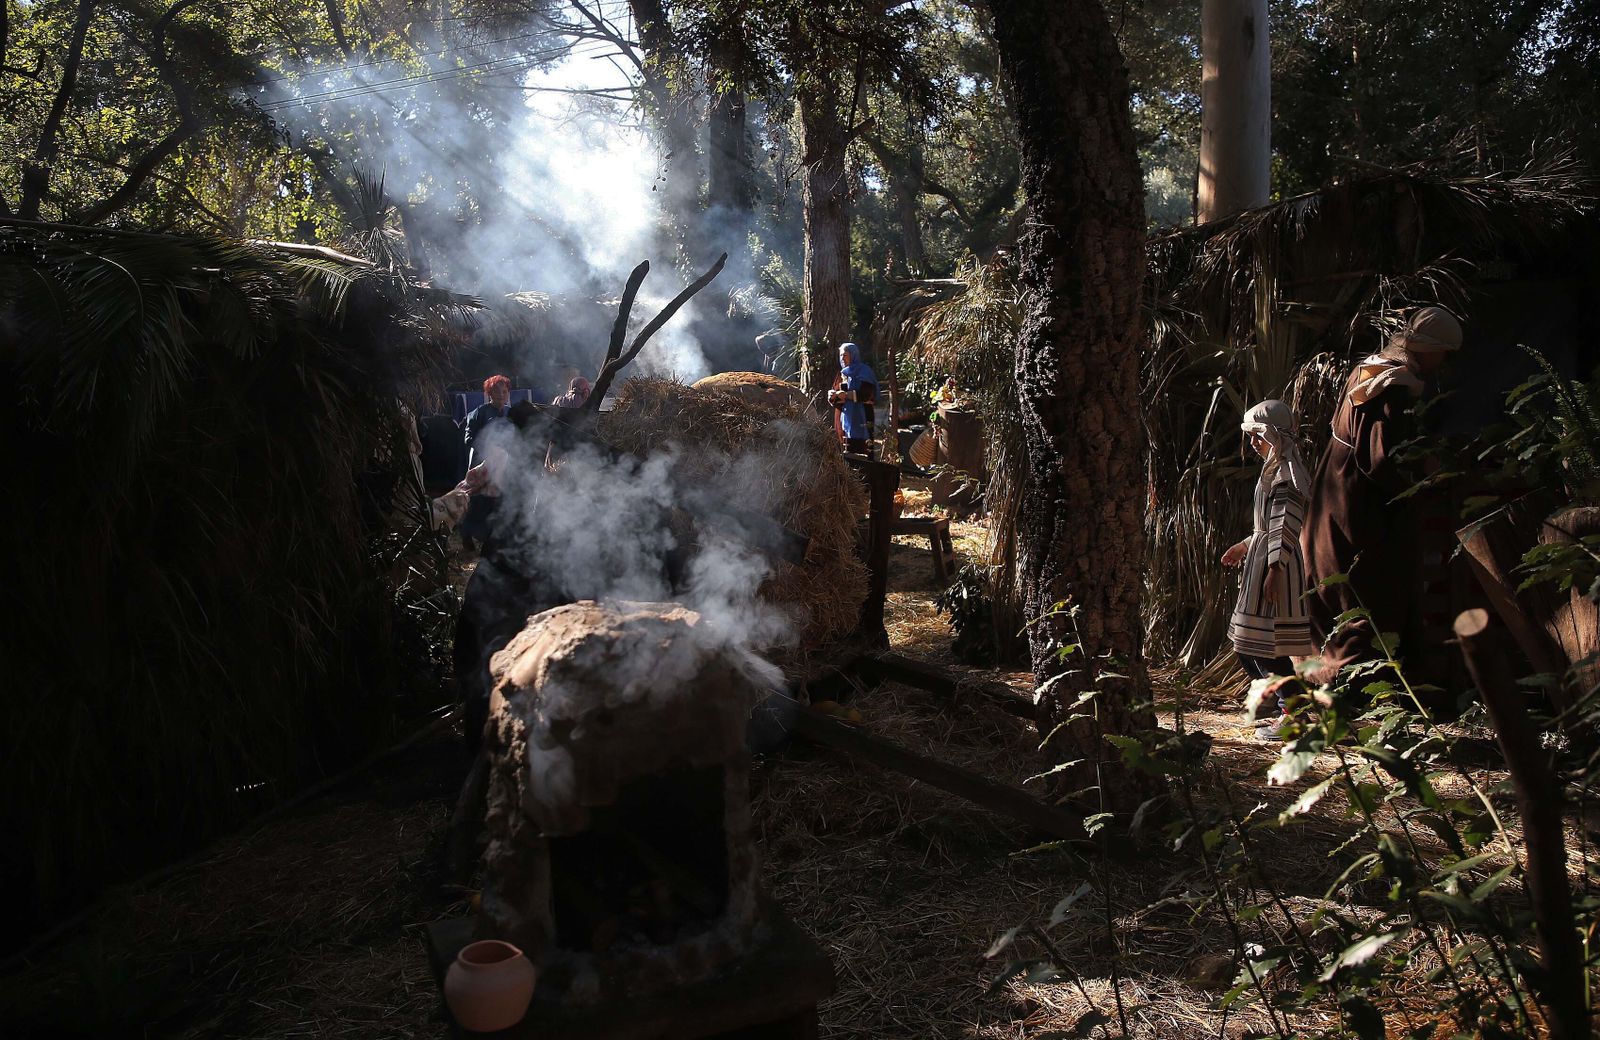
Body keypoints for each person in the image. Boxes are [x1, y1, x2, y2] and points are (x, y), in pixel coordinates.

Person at [1301, 305, 1462, 682]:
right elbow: (1383, 460)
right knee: (1367, 603)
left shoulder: (1368, 370)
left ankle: (1335, 699)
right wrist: (1426, 478)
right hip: (1360, 512)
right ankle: (1354, 702)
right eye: (1443, 354)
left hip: (1336, 500)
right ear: (1426, 349)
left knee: (1339, 602)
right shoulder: (1393, 387)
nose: (1443, 363)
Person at [1221, 400, 1317, 740]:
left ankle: (1294, 715)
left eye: (1257, 436)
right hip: (1263, 559)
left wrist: (1275, 569)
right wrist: (1245, 546)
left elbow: (1286, 525)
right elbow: (1267, 526)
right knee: (1248, 642)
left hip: (1275, 564)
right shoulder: (1273, 470)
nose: (1252, 443)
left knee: (1264, 645)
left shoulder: (1286, 475)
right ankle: (1282, 705)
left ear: (1273, 435)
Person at [828, 342, 878, 455]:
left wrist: (846, 395)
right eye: (840, 355)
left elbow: (867, 394)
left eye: (845, 355)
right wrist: (832, 396)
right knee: (844, 451)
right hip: (842, 419)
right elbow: (835, 393)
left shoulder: (864, 372)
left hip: (861, 417)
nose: (842, 358)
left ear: (853, 355)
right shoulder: (841, 374)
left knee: (862, 451)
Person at [465, 375, 512, 470]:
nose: (501, 395)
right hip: (481, 464)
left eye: (504, 392)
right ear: (490, 393)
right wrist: (489, 449)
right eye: (497, 392)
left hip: (505, 465)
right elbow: (469, 438)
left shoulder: (511, 413)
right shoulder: (479, 412)